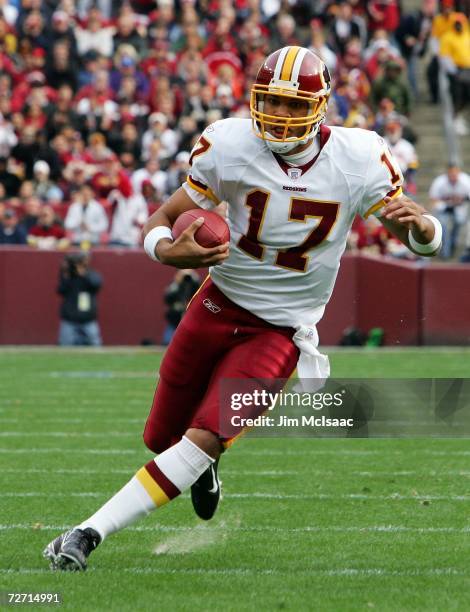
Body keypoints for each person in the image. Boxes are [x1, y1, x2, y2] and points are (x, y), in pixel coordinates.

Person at [44, 46, 443, 571]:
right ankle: (202, 466)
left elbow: (417, 236)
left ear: (321, 107)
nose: (279, 116)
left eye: (294, 105)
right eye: (271, 103)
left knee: (203, 436)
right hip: (217, 301)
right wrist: (168, 250)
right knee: (161, 438)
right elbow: (164, 217)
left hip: (282, 329)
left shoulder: (360, 157)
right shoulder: (230, 144)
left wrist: (424, 231)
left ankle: (84, 534)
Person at [57, 251, 103, 346]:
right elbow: (60, 290)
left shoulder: (91, 274)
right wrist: (65, 273)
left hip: (88, 319)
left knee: (95, 344)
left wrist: (83, 273)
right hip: (70, 318)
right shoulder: (69, 276)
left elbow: (96, 284)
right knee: (65, 344)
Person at [429, 164, 470, 258]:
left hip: (460, 207)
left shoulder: (466, 180)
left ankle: (453, 243)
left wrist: (462, 200)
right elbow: (433, 199)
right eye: (451, 173)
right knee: (443, 227)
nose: (453, 176)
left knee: (459, 222)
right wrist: (444, 205)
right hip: (444, 207)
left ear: (459, 173)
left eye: (455, 173)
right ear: (447, 173)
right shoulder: (439, 182)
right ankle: (445, 253)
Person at [162, 269, 201, 345]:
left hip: (190, 317)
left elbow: (199, 293)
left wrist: (195, 279)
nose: (186, 278)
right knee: (167, 343)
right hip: (174, 319)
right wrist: (177, 283)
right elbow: (167, 298)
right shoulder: (175, 286)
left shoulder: (194, 286)